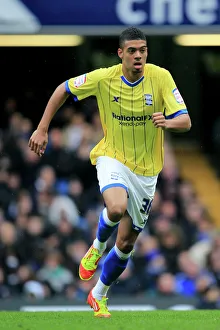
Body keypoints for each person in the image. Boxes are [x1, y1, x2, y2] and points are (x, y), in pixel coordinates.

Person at [28, 27, 191, 317]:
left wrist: (167, 121)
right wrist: (42, 128)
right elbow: (62, 89)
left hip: (147, 172)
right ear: (121, 54)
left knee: (126, 244)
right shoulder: (104, 78)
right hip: (112, 157)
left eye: (142, 50)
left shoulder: (161, 77)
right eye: (132, 50)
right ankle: (96, 246)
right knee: (115, 209)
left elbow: (186, 120)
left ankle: (98, 293)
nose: (138, 55)